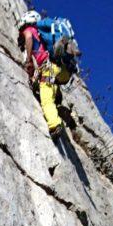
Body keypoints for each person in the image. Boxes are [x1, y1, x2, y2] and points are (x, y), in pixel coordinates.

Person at [17, 10, 72, 139]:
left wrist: (28, 60)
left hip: (50, 66)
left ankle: (55, 124)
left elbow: (29, 38)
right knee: (48, 84)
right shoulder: (44, 34)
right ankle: (57, 102)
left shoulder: (29, 29)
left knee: (46, 98)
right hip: (63, 70)